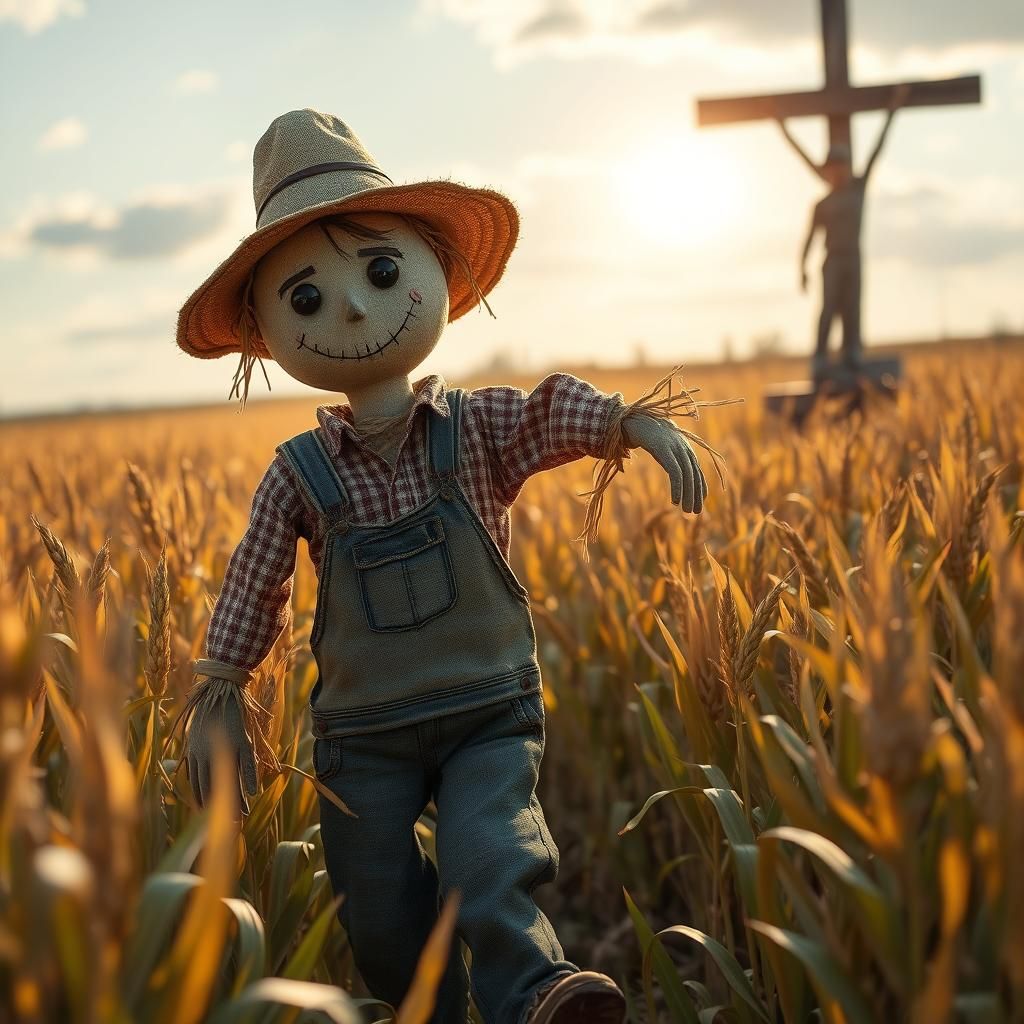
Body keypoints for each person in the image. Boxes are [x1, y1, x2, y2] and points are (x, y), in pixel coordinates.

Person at [174, 108, 709, 1024]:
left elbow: (546, 416)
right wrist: (222, 686)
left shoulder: (476, 428)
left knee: (487, 852)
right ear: (266, 329)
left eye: (381, 272)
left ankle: (534, 997)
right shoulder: (298, 477)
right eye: (304, 298)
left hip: (486, 713)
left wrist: (631, 422)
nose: (348, 307)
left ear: (434, 271)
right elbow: (254, 581)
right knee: (377, 908)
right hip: (362, 737)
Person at [777, 83, 910, 379]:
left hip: (854, 257)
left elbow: (877, 148)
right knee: (828, 309)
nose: (838, 171)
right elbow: (809, 238)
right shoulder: (822, 203)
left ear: (848, 167)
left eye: (842, 165)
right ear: (827, 170)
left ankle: (852, 352)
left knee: (852, 307)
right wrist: (782, 128)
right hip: (833, 259)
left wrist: (893, 109)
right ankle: (820, 357)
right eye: (832, 166)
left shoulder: (858, 189)